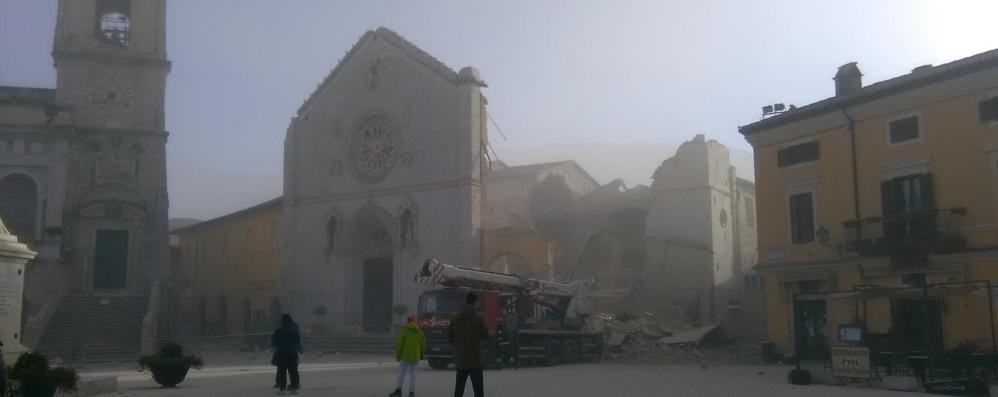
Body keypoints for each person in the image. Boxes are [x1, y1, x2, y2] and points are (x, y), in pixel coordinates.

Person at [447, 292, 488, 397]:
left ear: (465, 301)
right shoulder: (479, 319)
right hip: (475, 360)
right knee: (478, 392)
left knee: (459, 391)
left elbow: (449, 337)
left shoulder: (455, 318)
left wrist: (459, 346)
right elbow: (485, 335)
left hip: (461, 360)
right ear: (475, 302)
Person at [389, 315, 426, 397]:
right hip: (415, 356)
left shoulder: (404, 331)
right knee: (413, 374)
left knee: (401, 373)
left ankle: (398, 390)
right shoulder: (420, 332)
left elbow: (399, 344)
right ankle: (411, 392)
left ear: (408, 321)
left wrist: (398, 355)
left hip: (405, 356)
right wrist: (421, 355)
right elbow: (422, 345)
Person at [271, 313, 302, 394]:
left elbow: (274, 342)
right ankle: (294, 388)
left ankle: (282, 388)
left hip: (281, 354)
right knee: (293, 371)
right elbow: (298, 341)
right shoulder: (294, 330)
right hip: (292, 353)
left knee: (282, 371)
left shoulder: (279, 330)